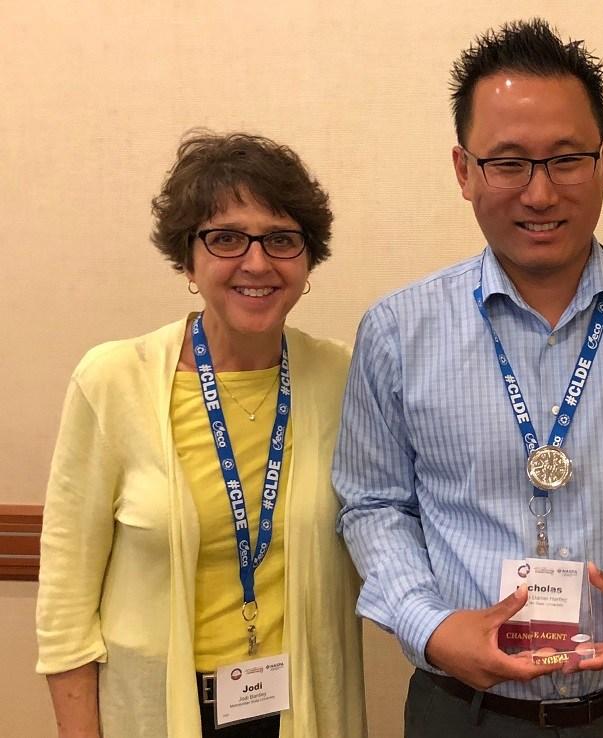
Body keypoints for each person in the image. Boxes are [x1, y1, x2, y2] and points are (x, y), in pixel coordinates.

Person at [334, 18, 603, 738]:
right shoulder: (398, 331)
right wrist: (431, 627)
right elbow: (373, 505)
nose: (539, 192)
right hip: (460, 712)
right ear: (464, 170)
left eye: (565, 159)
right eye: (508, 162)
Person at [36, 131, 366, 738]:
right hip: (159, 710)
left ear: (308, 260)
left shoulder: (344, 377)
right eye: (226, 238)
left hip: (302, 706)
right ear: (187, 260)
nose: (257, 262)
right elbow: (65, 609)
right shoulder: (113, 381)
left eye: (282, 239)